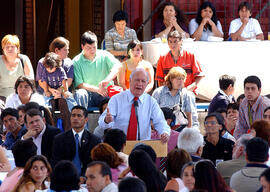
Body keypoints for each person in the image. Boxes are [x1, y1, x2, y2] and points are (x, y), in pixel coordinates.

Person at [98, 68, 170, 141]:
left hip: (142, 146)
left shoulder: (151, 101)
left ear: (147, 84)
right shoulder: (116, 99)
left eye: (143, 81)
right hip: (120, 145)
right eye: (137, 80)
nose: (140, 84)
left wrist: (164, 132)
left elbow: (160, 122)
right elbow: (101, 123)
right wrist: (106, 120)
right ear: (130, 80)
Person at [73, 31, 121, 109]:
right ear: (82, 46)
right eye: (88, 48)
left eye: (94, 47)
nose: (92, 50)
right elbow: (79, 84)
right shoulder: (76, 61)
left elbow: (118, 65)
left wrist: (107, 80)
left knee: (116, 94)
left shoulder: (104, 55)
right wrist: (97, 89)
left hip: (105, 92)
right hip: (88, 93)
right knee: (80, 94)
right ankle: (82, 120)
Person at [52, 105, 101, 176]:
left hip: (87, 179)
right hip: (65, 178)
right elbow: (56, 163)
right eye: (73, 115)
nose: (75, 118)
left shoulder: (94, 140)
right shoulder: (59, 139)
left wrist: (84, 177)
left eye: (79, 116)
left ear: (86, 120)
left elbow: (95, 163)